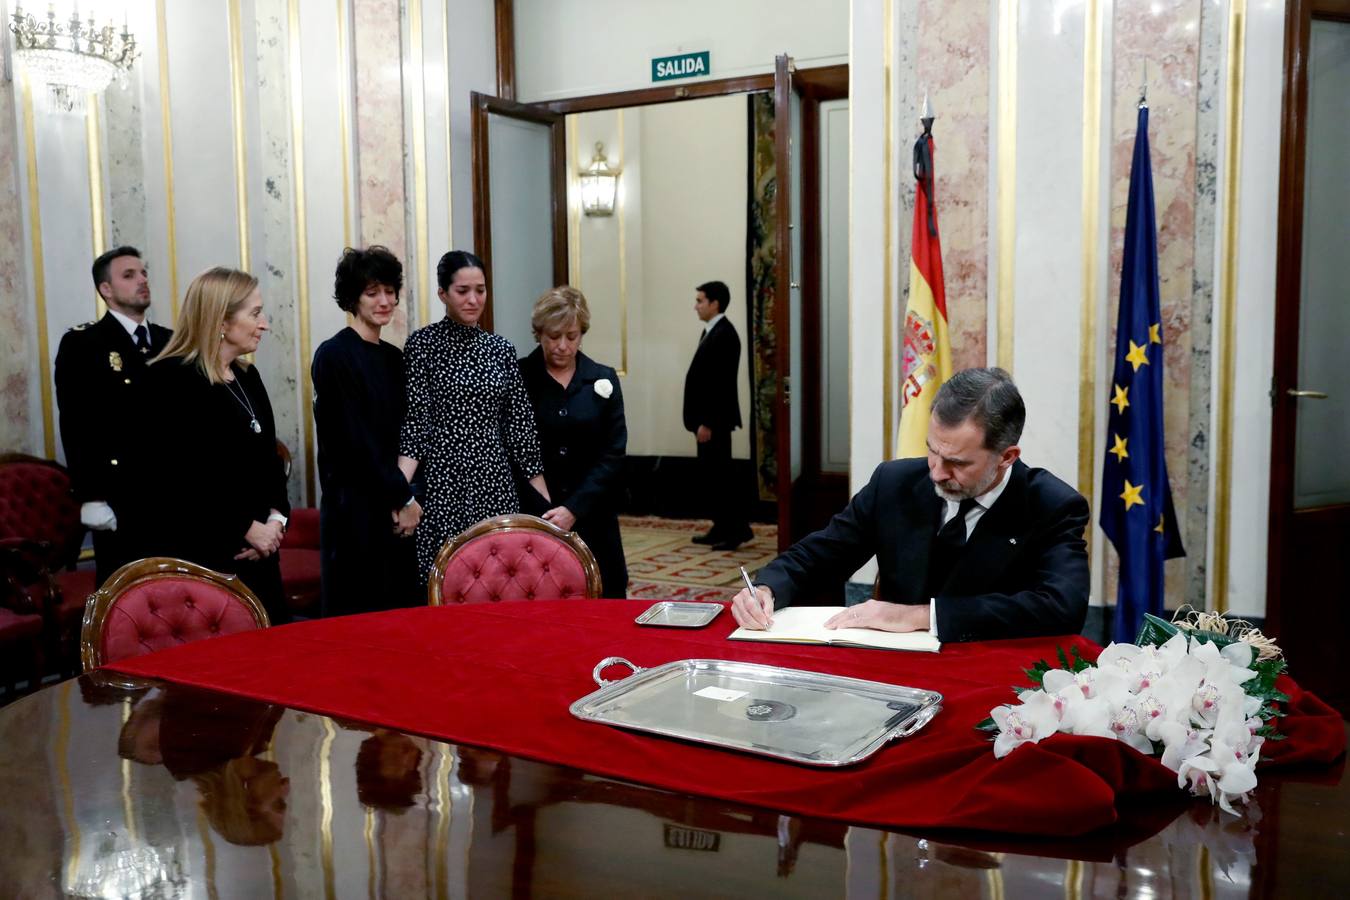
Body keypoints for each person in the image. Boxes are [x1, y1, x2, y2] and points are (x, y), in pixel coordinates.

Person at [730, 368, 1089, 642]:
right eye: (932, 450)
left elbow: (1061, 607)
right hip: (893, 670)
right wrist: (766, 589)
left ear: (1006, 457)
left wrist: (921, 616)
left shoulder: (1051, 505)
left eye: (958, 463)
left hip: (984, 675)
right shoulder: (895, 482)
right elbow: (822, 553)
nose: (936, 472)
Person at [136, 267, 291, 622]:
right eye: (255, 313)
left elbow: (269, 463)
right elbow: (175, 480)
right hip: (203, 559)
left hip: (261, 556)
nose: (264, 323)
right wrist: (246, 529)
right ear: (221, 320)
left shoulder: (248, 377)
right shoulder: (169, 380)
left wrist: (276, 522)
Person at [399, 251, 549, 583]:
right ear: (443, 294)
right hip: (444, 484)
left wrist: (543, 500)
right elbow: (416, 424)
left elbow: (520, 427)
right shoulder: (422, 345)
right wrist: (398, 491)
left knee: (500, 579)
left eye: (480, 290)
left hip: (495, 480)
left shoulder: (501, 349)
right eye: (462, 291)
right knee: (448, 582)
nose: (473, 299)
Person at [311, 247, 420, 616]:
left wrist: (404, 496)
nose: (385, 301)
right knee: (356, 615)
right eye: (373, 292)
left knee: (397, 614)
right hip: (353, 508)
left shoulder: (393, 357)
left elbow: (404, 432)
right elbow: (355, 441)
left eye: (390, 291)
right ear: (352, 297)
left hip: (393, 504)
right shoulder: (334, 355)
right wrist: (403, 499)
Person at [54, 246, 173, 584]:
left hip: (173, 492)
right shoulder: (84, 344)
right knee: (128, 599)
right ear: (106, 289)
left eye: (144, 273)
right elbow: (77, 424)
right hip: (122, 496)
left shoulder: (170, 340)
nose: (143, 280)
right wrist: (91, 496)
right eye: (129, 275)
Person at [518, 286, 629, 598]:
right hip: (537, 514)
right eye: (554, 336)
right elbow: (513, 447)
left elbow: (613, 452)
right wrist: (548, 509)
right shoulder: (520, 377)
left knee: (604, 597)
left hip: (594, 514)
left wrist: (574, 508)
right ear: (539, 333)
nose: (563, 346)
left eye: (572, 335)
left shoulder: (602, 377)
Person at [683, 280, 752, 551]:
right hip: (708, 421)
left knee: (721, 477)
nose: (696, 306)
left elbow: (719, 385)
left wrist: (708, 422)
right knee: (713, 478)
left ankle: (736, 530)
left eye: (700, 300)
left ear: (715, 303)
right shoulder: (712, 331)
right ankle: (722, 525)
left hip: (715, 422)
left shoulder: (724, 334)